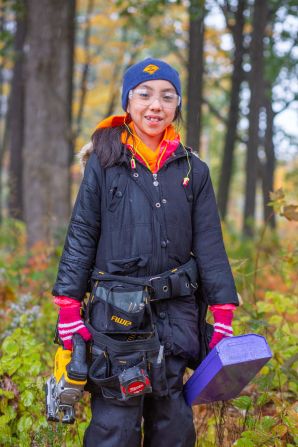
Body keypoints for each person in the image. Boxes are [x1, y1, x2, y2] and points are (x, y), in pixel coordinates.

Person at [52, 57, 239, 447]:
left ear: (177, 106)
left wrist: (223, 314)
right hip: (115, 320)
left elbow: (209, 242)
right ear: (128, 102)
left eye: (167, 97)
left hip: (176, 317)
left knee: (172, 424)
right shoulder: (104, 162)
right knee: (114, 428)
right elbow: (82, 232)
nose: (156, 105)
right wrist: (68, 305)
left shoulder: (194, 168)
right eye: (145, 94)